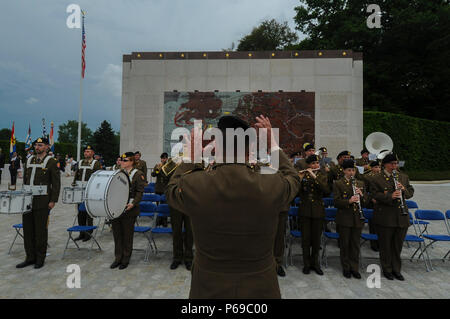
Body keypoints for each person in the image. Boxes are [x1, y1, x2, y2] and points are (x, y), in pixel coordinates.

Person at [165, 115, 301, 299]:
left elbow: (172, 189)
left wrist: (191, 158)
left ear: (218, 146)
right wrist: (273, 144)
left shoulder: (195, 183)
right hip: (261, 287)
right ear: (250, 148)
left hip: (208, 287)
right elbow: (293, 177)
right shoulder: (271, 183)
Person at [16, 137, 60, 269]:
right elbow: (25, 180)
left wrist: (53, 200)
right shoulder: (29, 160)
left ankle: (40, 258)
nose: (37, 147)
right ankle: (30, 257)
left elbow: (56, 183)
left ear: (47, 147)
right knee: (28, 230)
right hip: (28, 201)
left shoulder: (51, 162)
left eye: (40, 145)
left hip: (42, 201)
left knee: (40, 231)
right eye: (36, 145)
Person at [369, 153, 414, 281]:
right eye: (392, 164)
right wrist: (389, 196)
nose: (394, 166)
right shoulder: (377, 178)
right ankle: (387, 269)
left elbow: (410, 192)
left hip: (401, 216)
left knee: (397, 245)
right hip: (385, 216)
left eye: (396, 164)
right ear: (385, 164)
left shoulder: (403, 177)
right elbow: (374, 194)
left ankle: (396, 269)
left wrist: (404, 189)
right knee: (385, 245)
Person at [110, 152, 146, 270]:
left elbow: (140, 192)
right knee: (117, 234)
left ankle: (126, 257)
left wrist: (133, 203)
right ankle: (118, 257)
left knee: (127, 234)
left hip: (129, 208)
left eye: (125, 160)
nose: (122, 162)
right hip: (116, 207)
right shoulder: (118, 173)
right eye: (121, 160)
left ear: (131, 162)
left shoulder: (138, 174)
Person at [333, 159, 368, 279]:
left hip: (357, 218)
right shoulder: (338, 183)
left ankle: (355, 267)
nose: (351, 172)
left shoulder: (361, 183)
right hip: (344, 218)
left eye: (353, 170)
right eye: (349, 170)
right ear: (344, 171)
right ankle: (346, 267)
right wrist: (349, 201)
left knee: (355, 244)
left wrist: (362, 196)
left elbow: (366, 202)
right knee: (345, 244)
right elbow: (336, 202)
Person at [297, 154, 330, 275]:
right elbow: (296, 192)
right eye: (313, 164)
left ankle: (315, 263)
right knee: (305, 239)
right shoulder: (303, 175)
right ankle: (306, 264)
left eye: (317, 163)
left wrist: (314, 176)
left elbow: (326, 190)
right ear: (308, 165)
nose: (316, 165)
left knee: (316, 239)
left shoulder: (322, 175)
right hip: (305, 209)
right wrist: (299, 179)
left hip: (318, 210)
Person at [72, 146, 102, 241]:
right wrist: (74, 183)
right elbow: (77, 174)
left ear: (92, 153)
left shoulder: (95, 163)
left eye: (88, 151)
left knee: (88, 212)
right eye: (85, 151)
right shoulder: (80, 162)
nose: (86, 153)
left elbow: (97, 177)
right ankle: (81, 233)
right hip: (79, 190)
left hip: (90, 190)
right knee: (80, 212)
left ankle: (88, 233)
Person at [362, 160, 382, 251]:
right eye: (376, 167)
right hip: (372, 202)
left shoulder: (383, 176)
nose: (378, 169)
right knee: (373, 224)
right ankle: (374, 244)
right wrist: (371, 198)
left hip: (381, 201)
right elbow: (365, 191)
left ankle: (381, 242)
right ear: (371, 168)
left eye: (379, 167)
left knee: (381, 224)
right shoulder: (367, 177)